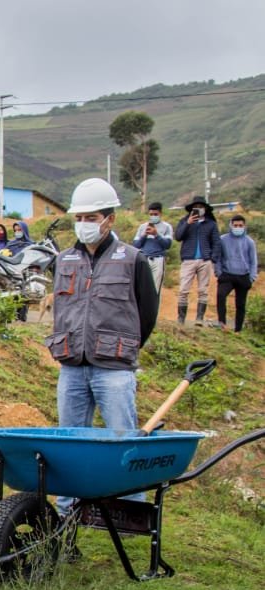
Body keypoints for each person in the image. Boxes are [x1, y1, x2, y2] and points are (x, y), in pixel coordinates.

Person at [46, 178, 158, 516]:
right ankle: (66, 513)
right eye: (78, 218)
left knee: (122, 441)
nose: (83, 225)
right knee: (69, 442)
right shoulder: (64, 260)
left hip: (114, 369)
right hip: (72, 367)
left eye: (91, 218)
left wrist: (123, 348)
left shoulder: (133, 259)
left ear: (109, 219)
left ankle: (127, 510)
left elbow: (147, 313)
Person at [173, 196, 222, 325]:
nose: (199, 209)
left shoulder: (211, 224)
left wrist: (213, 258)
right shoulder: (184, 221)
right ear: (192, 209)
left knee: (203, 290)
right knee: (183, 290)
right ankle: (181, 319)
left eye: (201, 207)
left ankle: (199, 318)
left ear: (205, 209)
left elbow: (217, 242)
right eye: (196, 207)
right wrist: (188, 223)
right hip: (188, 259)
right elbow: (178, 236)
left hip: (205, 260)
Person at [214, 215, 257, 332]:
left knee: (240, 304)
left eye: (240, 226)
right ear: (231, 225)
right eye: (235, 225)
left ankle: (238, 330)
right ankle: (222, 324)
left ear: (244, 226)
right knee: (220, 295)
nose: (238, 227)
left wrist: (252, 278)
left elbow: (253, 261)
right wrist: (219, 273)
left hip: (243, 276)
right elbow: (217, 258)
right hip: (227, 275)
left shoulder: (249, 242)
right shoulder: (222, 239)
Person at [132, 201, 173, 293]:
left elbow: (167, 245)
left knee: (155, 289)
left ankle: (154, 307)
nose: (153, 216)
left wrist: (156, 234)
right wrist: (144, 235)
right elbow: (136, 245)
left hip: (158, 259)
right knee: (141, 288)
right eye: (151, 214)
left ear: (160, 213)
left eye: (155, 214)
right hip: (144, 259)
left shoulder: (167, 227)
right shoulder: (143, 227)